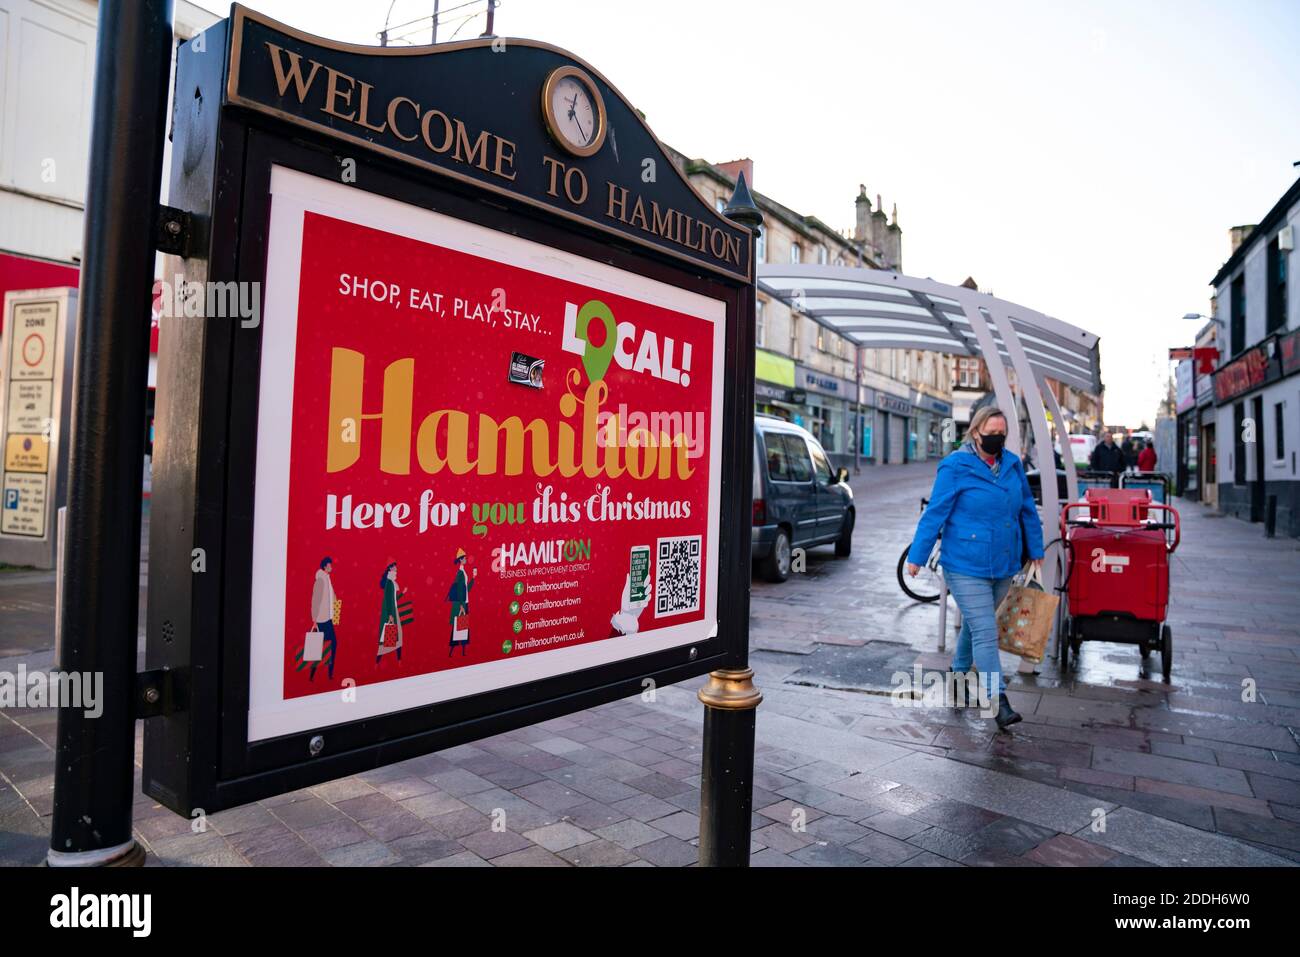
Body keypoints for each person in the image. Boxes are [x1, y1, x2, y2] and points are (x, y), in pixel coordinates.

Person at [906, 407, 1044, 729]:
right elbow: (935, 514)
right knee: (985, 629)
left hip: (1004, 563)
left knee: (975, 623)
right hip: (965, 564)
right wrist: (916, 556)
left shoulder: (1011, 464)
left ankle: (957, 675)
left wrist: (1035, 549)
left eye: (1002, 433)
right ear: (975, 432)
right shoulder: (955, 466)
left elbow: (1026, 508)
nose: (996, 438)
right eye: (991, 432)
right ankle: (998, 700)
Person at [309, 556, 338, 680]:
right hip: (322, 619)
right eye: (330, 565)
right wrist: (314, 620)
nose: (331, 567)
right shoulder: (321, 580)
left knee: (324, 646)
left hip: (328, 618)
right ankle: (325, 674)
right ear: (325, 566)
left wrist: (336, 616)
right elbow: (315, 600)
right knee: (326, 646)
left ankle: (326, 674)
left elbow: (332, 598)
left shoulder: (327, 579)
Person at [447, 548, 475, 656]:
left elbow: (465, 590)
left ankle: (462, 651)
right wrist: (461, 606)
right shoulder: (460, 573)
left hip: (465, 603)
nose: (466, 559)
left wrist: (473, 579)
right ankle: (452, 651)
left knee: (463, 628)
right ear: (461, 559)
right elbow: (459, 591)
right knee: (457, 629)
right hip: (461, 605)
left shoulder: (463, 572)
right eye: (465, 558)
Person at [377, 561, 404, 664]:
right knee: (390, 637)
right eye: (394, 567)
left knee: (396, 637)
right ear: (390, 568)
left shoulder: (392, 582)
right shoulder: (390, 582)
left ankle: (399, 659)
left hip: (394, 611)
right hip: (392, 613)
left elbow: (393, 599)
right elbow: (388, 600)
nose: (396, 568)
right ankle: (380, 661)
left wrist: (402, 594)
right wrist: (390, 615)